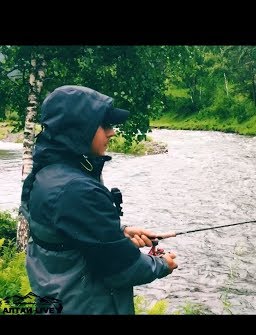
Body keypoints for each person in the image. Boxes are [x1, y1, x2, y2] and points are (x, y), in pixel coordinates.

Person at [20, 85, 177, 315]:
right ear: (79, 129)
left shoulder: (43, 174)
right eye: (105, 125)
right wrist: (162, 264)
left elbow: (64, 235)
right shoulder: (78, 190)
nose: (112, 132)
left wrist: (119, 232)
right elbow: (123, 269)